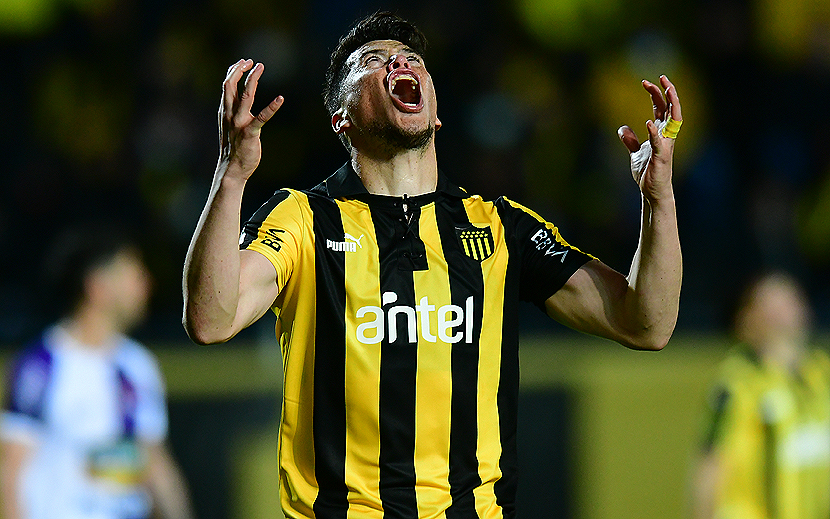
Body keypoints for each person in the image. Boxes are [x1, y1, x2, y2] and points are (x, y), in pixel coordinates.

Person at [182, 11, 683, 518]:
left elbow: (646, 324)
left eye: (411, 58)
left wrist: (658, 199)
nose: (400, 63)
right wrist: (232, 174)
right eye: (373, 61)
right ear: (341, 120)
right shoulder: (303, 220)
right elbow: (210, 319)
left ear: (436, 114)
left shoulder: (499, 227)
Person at [0, 224, 195, 519]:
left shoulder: (137, 365)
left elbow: (153, 462)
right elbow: (10, 470)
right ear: (97, 286)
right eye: (133, 274)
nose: (145, 284)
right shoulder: (41, 365)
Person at [694, 272, 830, 519]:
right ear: (746, 319)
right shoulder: (736, 384)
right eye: (771, 305)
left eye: (789, 301)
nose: (783, 314)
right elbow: (711, 464)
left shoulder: (822, 374)